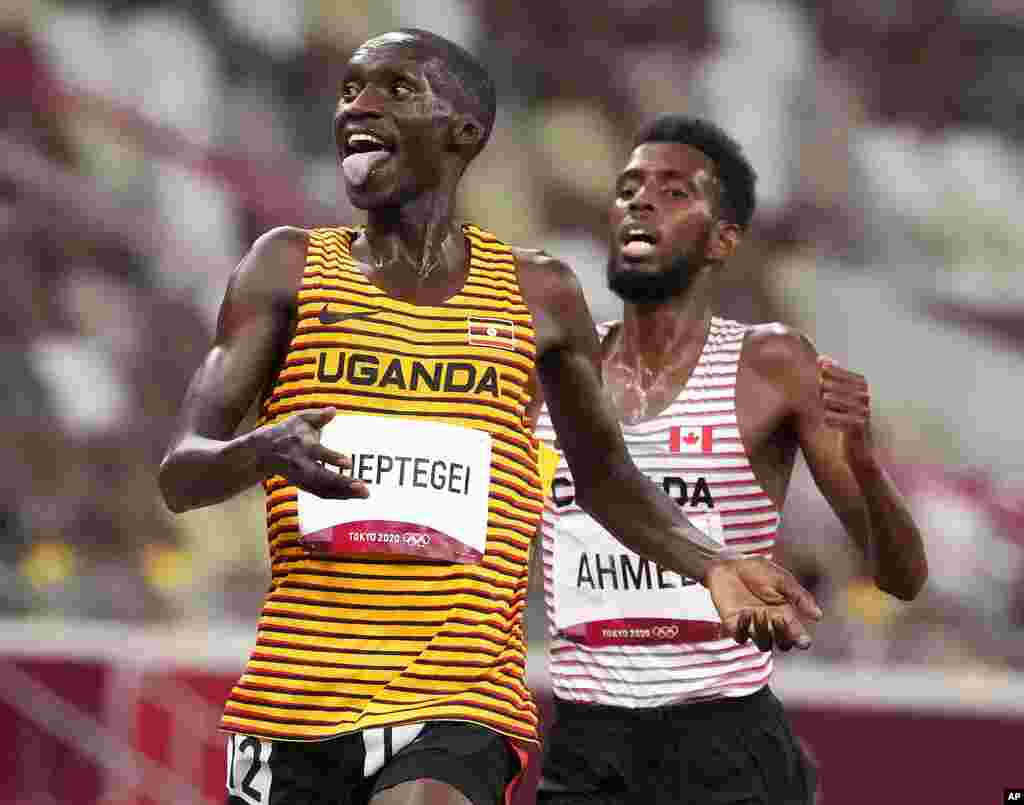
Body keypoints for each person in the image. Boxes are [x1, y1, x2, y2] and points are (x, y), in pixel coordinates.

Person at [159, 34, 821, 805]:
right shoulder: (286, 268)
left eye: (397, 89)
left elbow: (606, 479)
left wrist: (712, 563)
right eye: (349, 91)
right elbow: (182, 471)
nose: (359, 106)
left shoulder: (539, 295)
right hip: (296, 702)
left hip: (459, 698)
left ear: (464, 131)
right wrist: (261, 450)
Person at [534, 115, 930, 804]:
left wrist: (863, 460)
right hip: (585, 744)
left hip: (724, 746)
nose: (641, 201)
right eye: (628, 187)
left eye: (674, 191)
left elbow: (901, 575)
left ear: (724, 238)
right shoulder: (554, 369)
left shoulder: (772, 366)